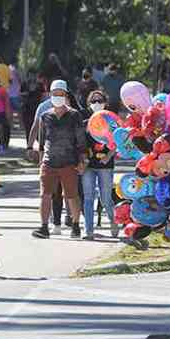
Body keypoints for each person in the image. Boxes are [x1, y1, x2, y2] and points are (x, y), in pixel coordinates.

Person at [32, 80, 87, 240]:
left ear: (66, 95)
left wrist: (82, 160)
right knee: (45, 195)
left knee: (72, 195)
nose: (57, 97)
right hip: (49, 162)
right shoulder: (45, 116)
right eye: (54, 94)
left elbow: (81, 141)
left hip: (69, 162)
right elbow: (42, 142)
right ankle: (44, 227)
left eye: (61, 94)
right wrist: (41, 163)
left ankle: (76, 225)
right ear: (50, 95)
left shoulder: (74, 115)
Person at [82, 91, 119, 240]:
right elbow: (80, 143)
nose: (97, 103)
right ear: (89, 104)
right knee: (88, 197)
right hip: (88, 166)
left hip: (106, 165)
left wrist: (109, 156)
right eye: (94, 101)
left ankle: (113, 221)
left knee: (105, 198)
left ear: (105, 103)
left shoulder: (111, 121)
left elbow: (118, 140)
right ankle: (88, 230)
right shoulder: (85, 123)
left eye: (100, 100)